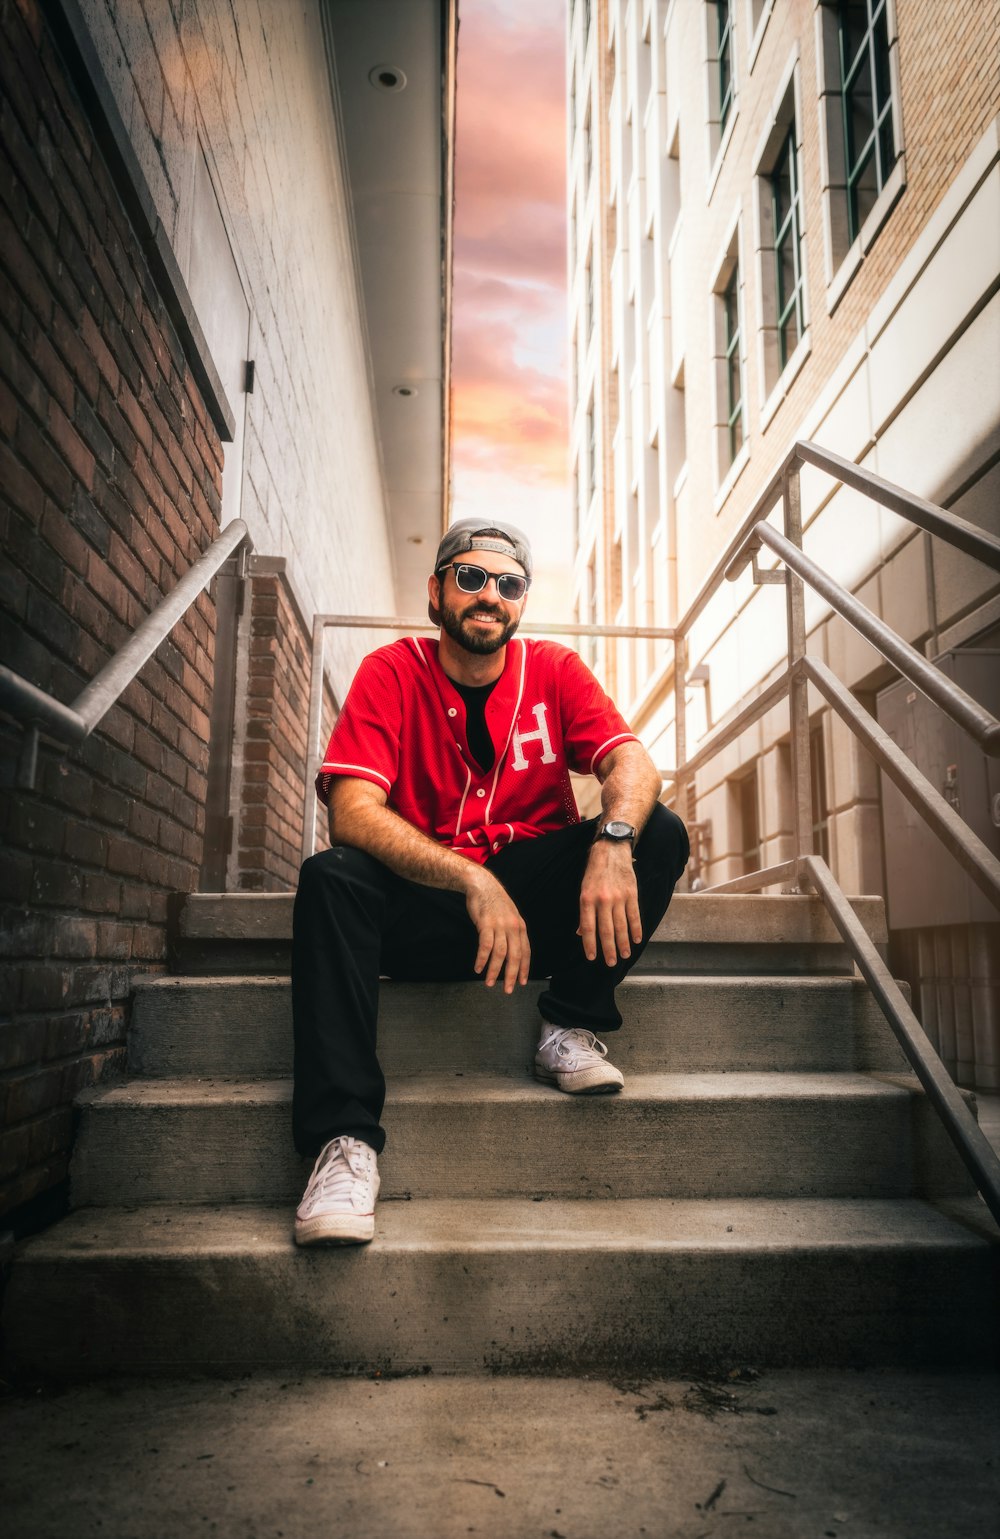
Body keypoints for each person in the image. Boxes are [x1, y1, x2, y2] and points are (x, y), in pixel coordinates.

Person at [292, 518, 689, 1245]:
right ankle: (343, 1144)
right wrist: (470, 877)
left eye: (508, 584)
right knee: (331, 876)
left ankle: (568, 1020)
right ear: (436, 592)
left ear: (521, 602)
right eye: (471, 576)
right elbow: (351, 812)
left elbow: (634, 764)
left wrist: (612, 836)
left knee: (657, 828)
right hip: (427, 912)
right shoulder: (390, 670)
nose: (490, 595)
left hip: (533, 919)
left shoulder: (556, 670)